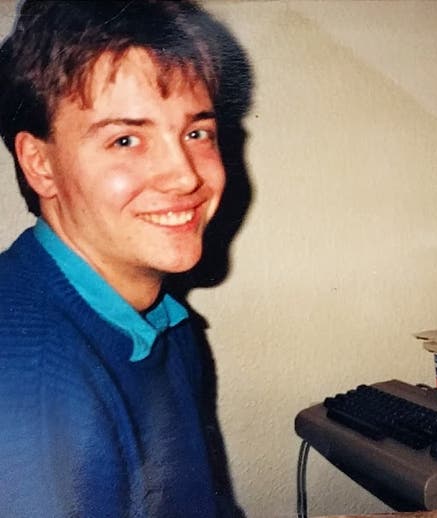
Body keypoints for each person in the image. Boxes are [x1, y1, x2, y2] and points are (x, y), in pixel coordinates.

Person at [0, 1, 251, 516]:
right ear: (40, 164)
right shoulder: (31, 387)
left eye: (196, 132)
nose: (185, 176)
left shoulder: (165, 321)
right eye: (126, 139)